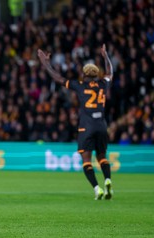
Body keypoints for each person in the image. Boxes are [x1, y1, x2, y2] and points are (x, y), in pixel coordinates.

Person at [37, 44, 114, 200]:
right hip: (102, 125)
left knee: (86, 159)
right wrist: (106, 57)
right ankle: (107, 180)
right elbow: (110, 72)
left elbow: (58, 78)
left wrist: (45, 63)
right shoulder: (103, 84)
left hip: (87, 126)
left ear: (84, 75)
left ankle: (97, 188)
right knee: (102, 156)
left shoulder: (80, 85)